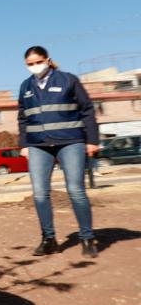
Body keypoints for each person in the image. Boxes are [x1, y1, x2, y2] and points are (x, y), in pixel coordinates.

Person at [18, 46, 99, 258]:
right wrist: (24, 144)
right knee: (39, 194)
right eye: (30, 64)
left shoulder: (68, 80)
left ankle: (87, 238)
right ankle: (49, 239)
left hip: (70, 141)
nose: (35, 67)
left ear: (48, 60)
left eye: (38, 62)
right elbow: (23, 118)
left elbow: (87, 109)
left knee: (75, 190)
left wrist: (92, 140)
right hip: (38, 145)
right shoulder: (25, 87)